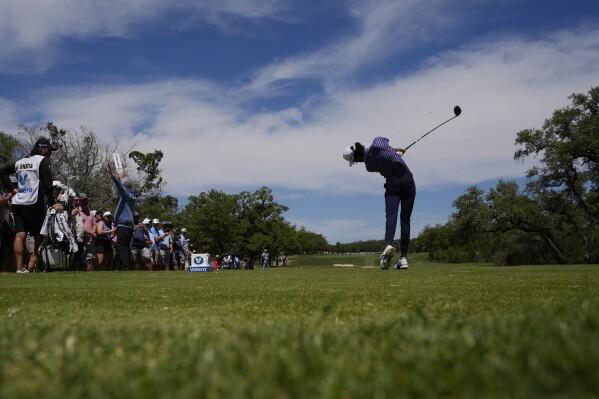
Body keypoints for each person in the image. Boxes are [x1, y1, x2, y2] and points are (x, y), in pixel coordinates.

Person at [343, 137, 416, 270]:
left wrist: (394, 154)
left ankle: (389, 244)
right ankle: (403, 257)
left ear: (356, 158)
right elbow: (384, 145)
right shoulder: (377, 141)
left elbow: (381, 159)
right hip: (407, 180)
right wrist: (395, 152)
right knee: (405, 219)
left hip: (392, 184)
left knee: (391, 215)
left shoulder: (369, 167)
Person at [0, 137, 64, 273]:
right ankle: (32, 263)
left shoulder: (20, 161)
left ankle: (20, 268)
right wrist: (53, 203)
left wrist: (12, 189)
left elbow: (2, 171)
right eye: (50, 150)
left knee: (19, 234)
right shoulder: (42, 160)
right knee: (38, 235)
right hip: (34, 202)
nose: (50, 154)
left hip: (18, 202)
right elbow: (47, 184)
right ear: (43, 149)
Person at [106, 164, 136, 271]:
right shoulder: (131, 196)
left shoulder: (126, 195)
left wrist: (111, 174)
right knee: (126, 247)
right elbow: (122, 183)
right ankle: (127, 266)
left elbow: (119, 186)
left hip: (123, 226)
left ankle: (126, 267)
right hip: (128, 226)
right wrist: (122, 176)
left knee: (122, 247)